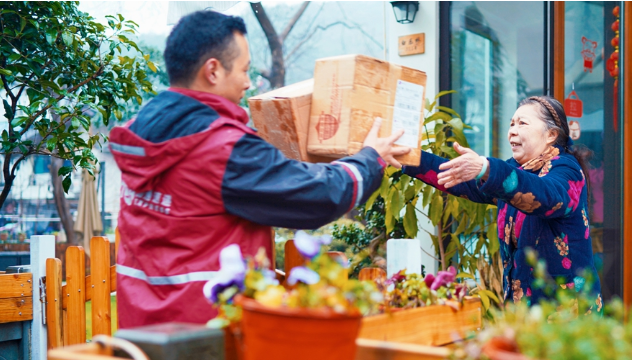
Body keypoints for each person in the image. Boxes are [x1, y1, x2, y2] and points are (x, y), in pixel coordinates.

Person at [109, 11, 409, 328]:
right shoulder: (223, 149)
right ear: (212, 70)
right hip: (208, 332)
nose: (249, 82)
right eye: (245, 69)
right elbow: (319, 195)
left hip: (143, 329)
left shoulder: (143, 134)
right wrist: (371, 157)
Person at [388, 96, 601, 308]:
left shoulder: (567, 169)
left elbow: (547, 196)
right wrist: (409, 157)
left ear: (551, 135)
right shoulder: (516, 170)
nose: (512, 131)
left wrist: (486, 168)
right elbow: (459, 178)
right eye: (511, 124)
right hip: (524, 311)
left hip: (567, 314)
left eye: (522, 123)